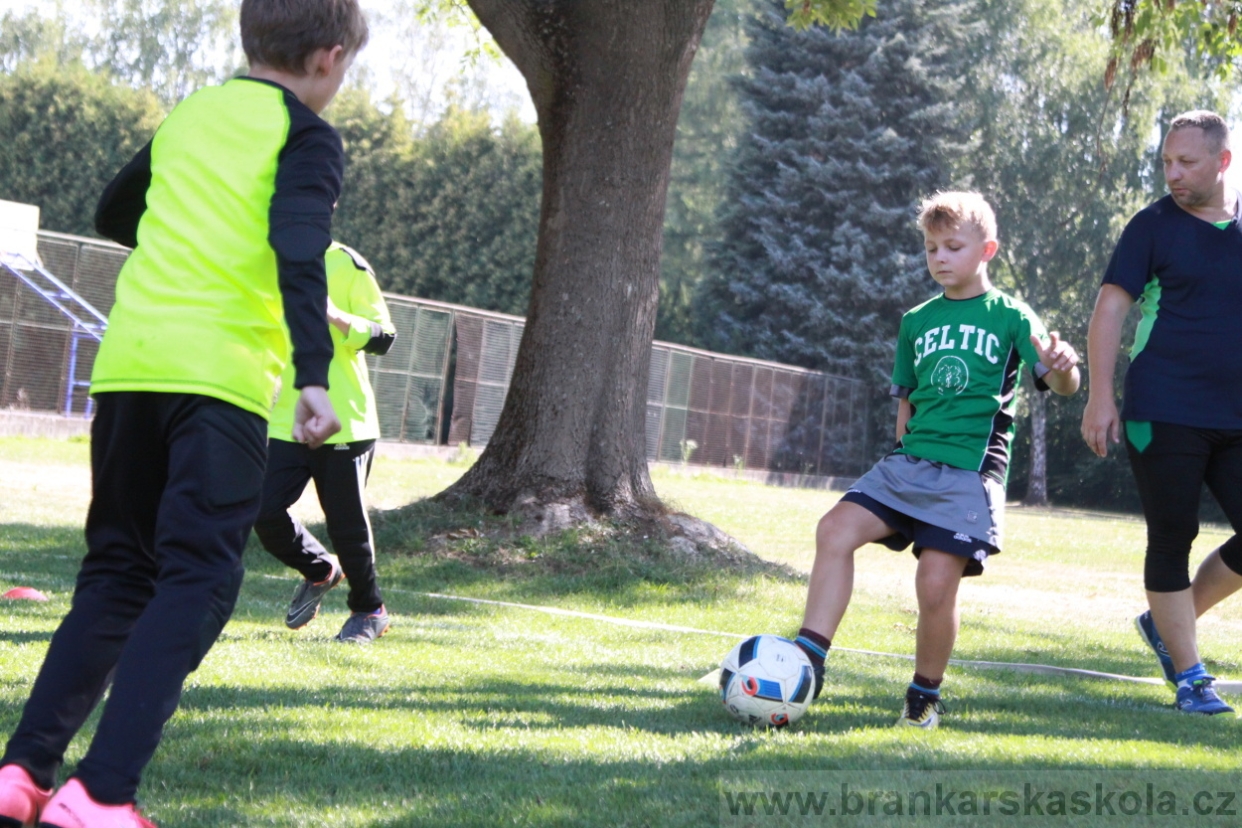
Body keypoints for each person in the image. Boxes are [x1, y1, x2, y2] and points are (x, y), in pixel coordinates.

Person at [0, 1, 368, 825]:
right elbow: (301, 251)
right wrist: (314, 374)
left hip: (128, 368)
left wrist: (188, 234)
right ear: (328, 58)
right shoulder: (307, 135)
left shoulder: (192, 114)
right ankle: (101, 794)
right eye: (345, 71)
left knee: (117, 572)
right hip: (221, 380)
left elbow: (112, 215)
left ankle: (20, 776)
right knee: (197, 579)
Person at [792, 191, 1080, 728]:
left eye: (952, 246)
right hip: (908, 464)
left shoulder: (1012, 315)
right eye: (930, 248)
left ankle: (923, 697)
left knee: (934, 583)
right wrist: (900, 453)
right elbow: (908, 401)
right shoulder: (916, 321)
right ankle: (808, 660)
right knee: (834, 530)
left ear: (986, 249)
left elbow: (1061, 382)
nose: (939, 258)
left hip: (969, 474)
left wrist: (1064, 365)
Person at [1081, 109, 1242, 717]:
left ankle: (1166, 625)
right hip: (1163, 406)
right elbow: (1110, 312)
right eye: (1166, 162)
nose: (1173, 174)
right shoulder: (1151, 225)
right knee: (1172, 537)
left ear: (1223, 160)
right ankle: (1192, 676)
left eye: (1187, 162)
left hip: (1237, 413)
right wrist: (1101, 396)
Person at [254, 242, 396, 644]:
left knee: (346, 525)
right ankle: (320, 570)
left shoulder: (349, 265)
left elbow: (385, 337)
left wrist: (336, 316)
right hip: (288, 419)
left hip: (345, 422)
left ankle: (370, 610)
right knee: (260, 508)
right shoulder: (265, 260)